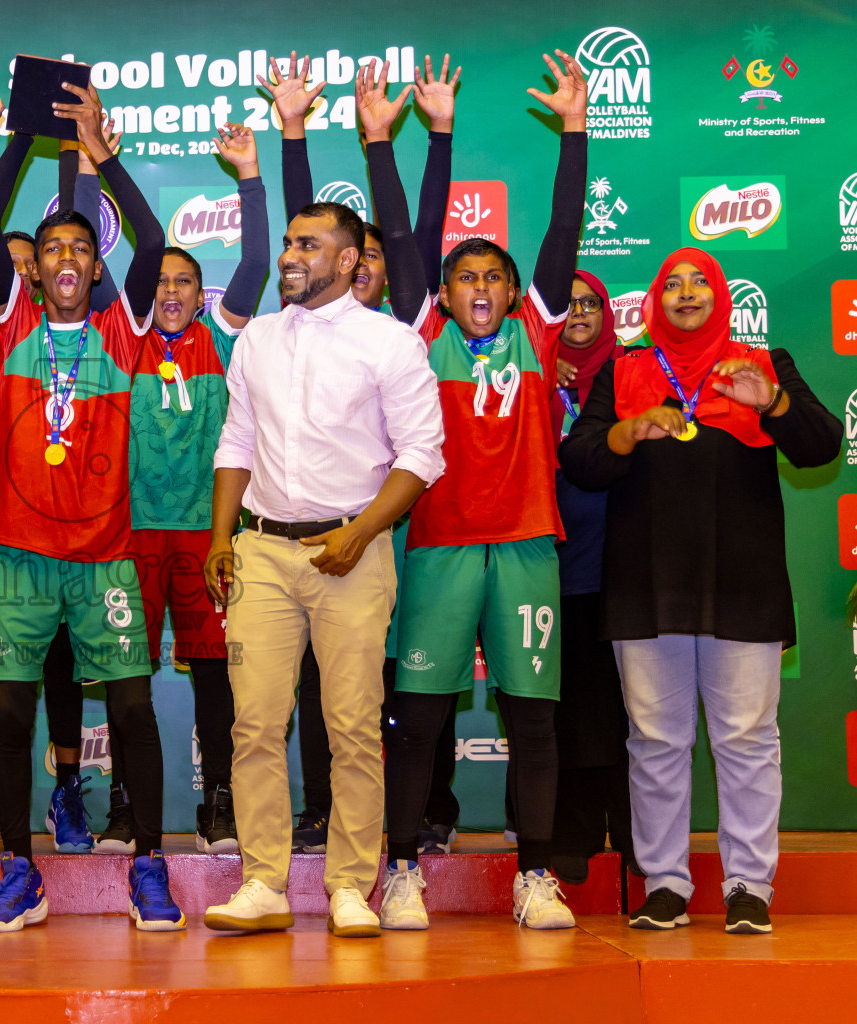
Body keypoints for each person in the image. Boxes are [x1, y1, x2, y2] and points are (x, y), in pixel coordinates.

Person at [362, 51, 587, 930]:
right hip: (443, 548)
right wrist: (396, 140)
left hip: (528, 545)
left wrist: (576, 129)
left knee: (534, 722)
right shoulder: (422, 332)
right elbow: (405, 234)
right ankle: (403, 867)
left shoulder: (538, 327)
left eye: (496, 276)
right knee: (419, 722)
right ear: (445, 295)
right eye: (468, 278)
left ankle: (537, 877)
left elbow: (565, 227)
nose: (483, 288)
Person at [559, 248, 839, 935]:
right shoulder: (625, 371)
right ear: (656, 299)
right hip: (644, 588)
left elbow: (821, 444)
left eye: (699, 283)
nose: (686, 293)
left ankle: (749, 885)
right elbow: (580, 462)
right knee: (655, 740)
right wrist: (626, 430)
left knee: (747, 738)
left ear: (720, 296)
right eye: (673, 284)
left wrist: (769, 402)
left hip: (741, 586)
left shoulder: (761, 364)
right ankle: (665, 884)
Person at [0, 85, 179, 933]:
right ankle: (21, 868)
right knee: (10, 717)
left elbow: (154, 242)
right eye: (51, 247)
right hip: (17, 555)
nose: (64, 259)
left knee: (129, 709)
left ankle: (149, 867)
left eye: (79, 248)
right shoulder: (10, 321)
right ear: (35, 266)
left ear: (94, 266)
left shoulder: (122, 328)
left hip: (103, 556)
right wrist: (19, 138)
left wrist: (103, 155)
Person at [200, 182, 445, 937]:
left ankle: (349, 887)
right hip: (263, 550)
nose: (290, 256)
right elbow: (236, 443)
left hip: (352, 550)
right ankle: (265, 883)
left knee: (351, 726)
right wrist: (219, 537)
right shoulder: (258, 340)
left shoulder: (390, 342)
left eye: (308, 246)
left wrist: (363, 531)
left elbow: (422, 456)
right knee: (255, 726)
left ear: (347, 261)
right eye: (289, 243)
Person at [271, 51, 461, 857]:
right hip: (330, 531)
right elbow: (303, 222)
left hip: (415, 533)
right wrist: (293, 131)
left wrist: (415, 138)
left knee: (416, 681)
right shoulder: (306, 323)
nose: (369, 267)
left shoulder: (411, 325)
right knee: (325, 678)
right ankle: (321, 809)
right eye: (361, 255)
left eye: (381, 259)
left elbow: (416, 232)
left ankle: (430, 809)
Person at [0, 101, 108, 857]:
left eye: (30, 259)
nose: (21, 268)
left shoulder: (71, 326)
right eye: (8, 261)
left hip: (58, 520)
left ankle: (67, 792)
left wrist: (79, 152)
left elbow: (83, 224)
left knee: (67, 660)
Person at [121, 122, 269, 853]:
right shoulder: (124, 337)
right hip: (132, 532)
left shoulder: (223, 331)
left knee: (217, 679)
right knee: (126, 676)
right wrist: (87, 158)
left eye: (184, 280)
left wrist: (248, 172)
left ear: (198, 291)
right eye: (160, 281)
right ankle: (125, 801)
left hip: (213, 534)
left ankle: (220, 799)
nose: (171, 291)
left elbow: (258, 261)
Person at [547, 271, 634, 885]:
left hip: (630, 567)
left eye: (590, 303)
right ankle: (573, 829)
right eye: (568, 303)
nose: (578, 313)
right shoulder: (523, 370)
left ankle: (636, 835)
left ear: (607, 312)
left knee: (637, 712)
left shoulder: (636, 373)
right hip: (556, 568)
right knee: (572, 709)